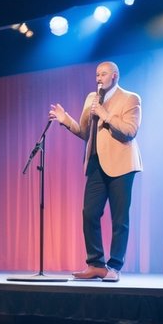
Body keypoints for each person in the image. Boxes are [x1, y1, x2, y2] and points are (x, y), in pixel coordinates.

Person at [50, 60, 143, 283]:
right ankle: (95, 264)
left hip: (122, 165)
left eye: (103, 74)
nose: (98, 78)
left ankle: (114, 267)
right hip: (95, 164)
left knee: (120, 218)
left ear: (115, 76)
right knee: (89, 213)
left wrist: (105, 114)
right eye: (96, 74)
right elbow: (85, 132)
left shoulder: (130, 98)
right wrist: (66, 121)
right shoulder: (91, 99)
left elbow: (130, 131)